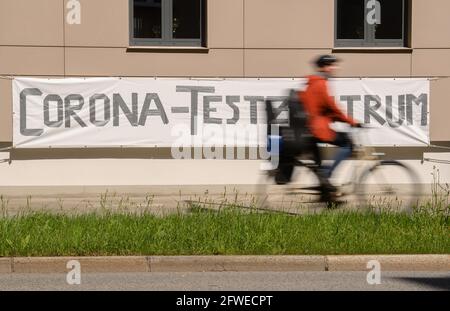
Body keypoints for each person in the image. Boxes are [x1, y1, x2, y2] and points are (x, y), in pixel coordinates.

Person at [300, 55, 362, 202]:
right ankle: (328, 175)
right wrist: (352, 122)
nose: (334, 68)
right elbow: (332, 107)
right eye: (331, 65)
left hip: (309, 129)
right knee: (347, 143)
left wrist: (338, 118)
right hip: (317, 129)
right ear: (323, 67)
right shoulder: (320, 84)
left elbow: (324, 109)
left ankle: (328, 196)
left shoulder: (312, 83)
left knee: (319, 167)